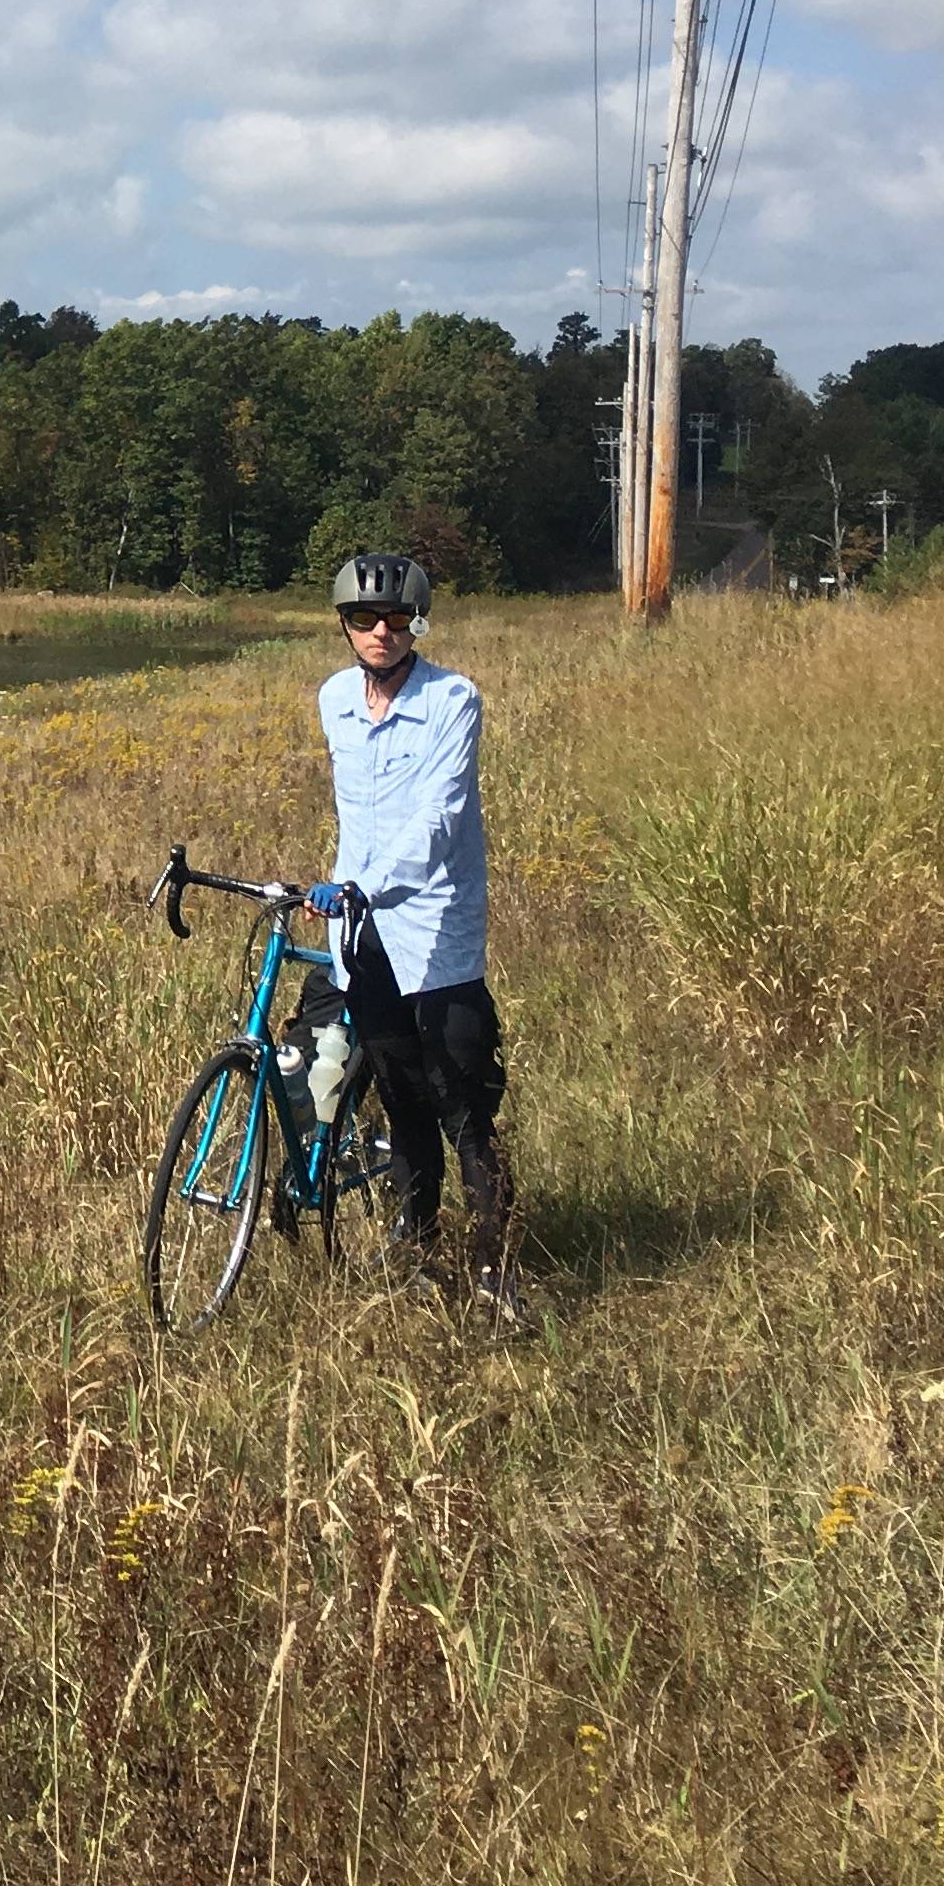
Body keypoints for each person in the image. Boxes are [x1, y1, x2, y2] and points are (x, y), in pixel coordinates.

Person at [304, 550, 520, 1317]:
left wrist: (370, 881)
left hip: (435, 928)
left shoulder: (453, 699)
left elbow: (441, 816)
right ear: (344, 625)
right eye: (365, 619)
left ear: (417, 623)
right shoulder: (334, 698)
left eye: (397, 619)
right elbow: (353, 815)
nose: (382, 632)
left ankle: (499, 1270)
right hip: (359, 929)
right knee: (399, 1098)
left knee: (462, 1100)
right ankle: (419, 1246)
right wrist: (338, 890)